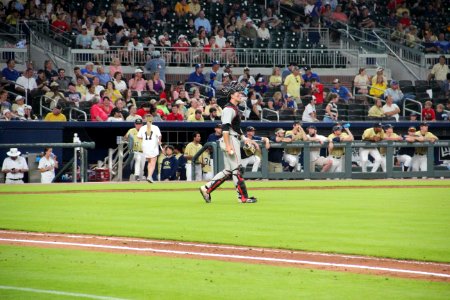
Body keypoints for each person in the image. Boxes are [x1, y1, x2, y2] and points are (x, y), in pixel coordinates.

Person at [199, 82, 257, 203]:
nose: (240, 95)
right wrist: (229, 146)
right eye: (238, 93)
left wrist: (244, 138)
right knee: (237, 170)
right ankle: (243, 197)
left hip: (232, 138)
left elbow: (234, 127)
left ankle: (206, 188)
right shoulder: (228, 109)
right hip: (229, 139)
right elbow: (225, 129)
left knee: (228, 171)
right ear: (232, 95)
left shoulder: (233, 108)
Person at [137, 115, 162, 183]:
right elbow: (159, 136)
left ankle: (149, 176)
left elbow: (139, 137)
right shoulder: (155, 127)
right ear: (152, 120)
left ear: (145, 120)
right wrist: (159, 141)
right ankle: (149, 176)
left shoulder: (142, 128)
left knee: (149, 162)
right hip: (153, 146)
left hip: (145, 146)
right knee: (153, 162)